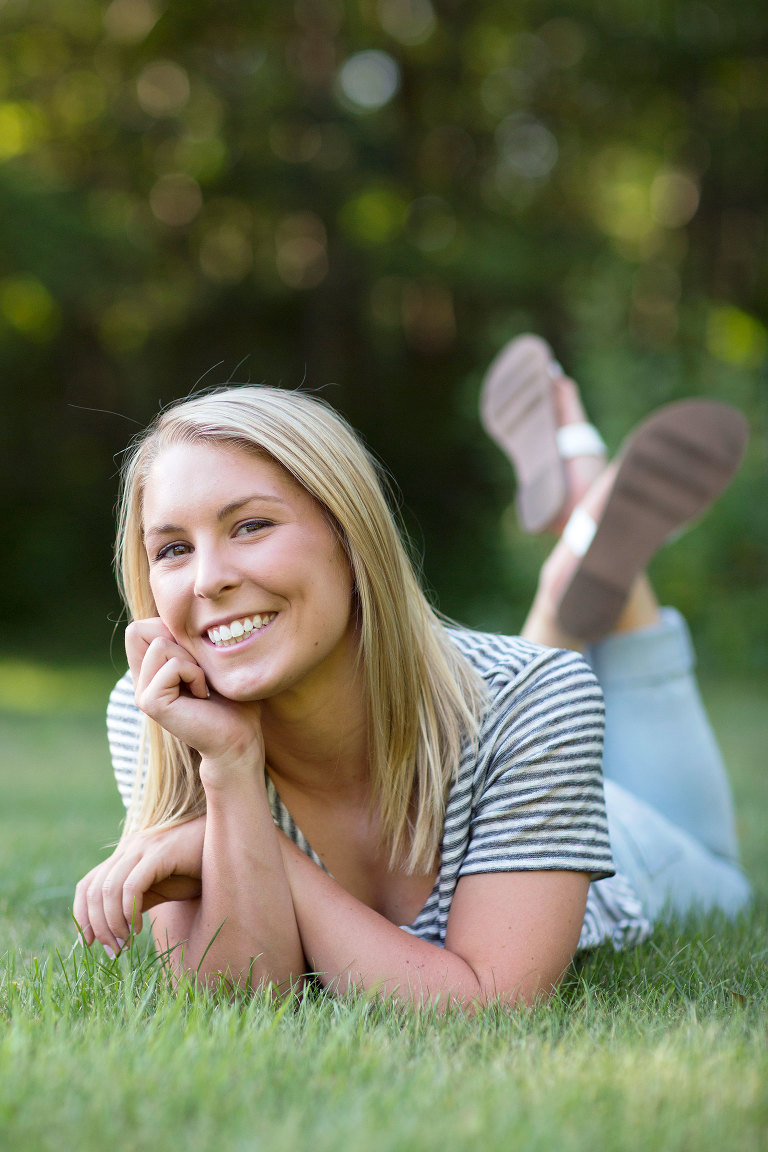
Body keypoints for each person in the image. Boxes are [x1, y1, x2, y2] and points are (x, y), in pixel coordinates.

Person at [73, 335, 752, 1009]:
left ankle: (577, 557)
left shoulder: (540, 696)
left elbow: (488, 1003)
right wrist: (229, 767)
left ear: (351, 535)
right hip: (501, 719)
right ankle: (579, 533)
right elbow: (240, 998)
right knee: (522, 686)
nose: (209, 579)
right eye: (172, 548)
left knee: (726, 882)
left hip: (624, 840)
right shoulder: (161, 710)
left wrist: (266, 856)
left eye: (250, 526)